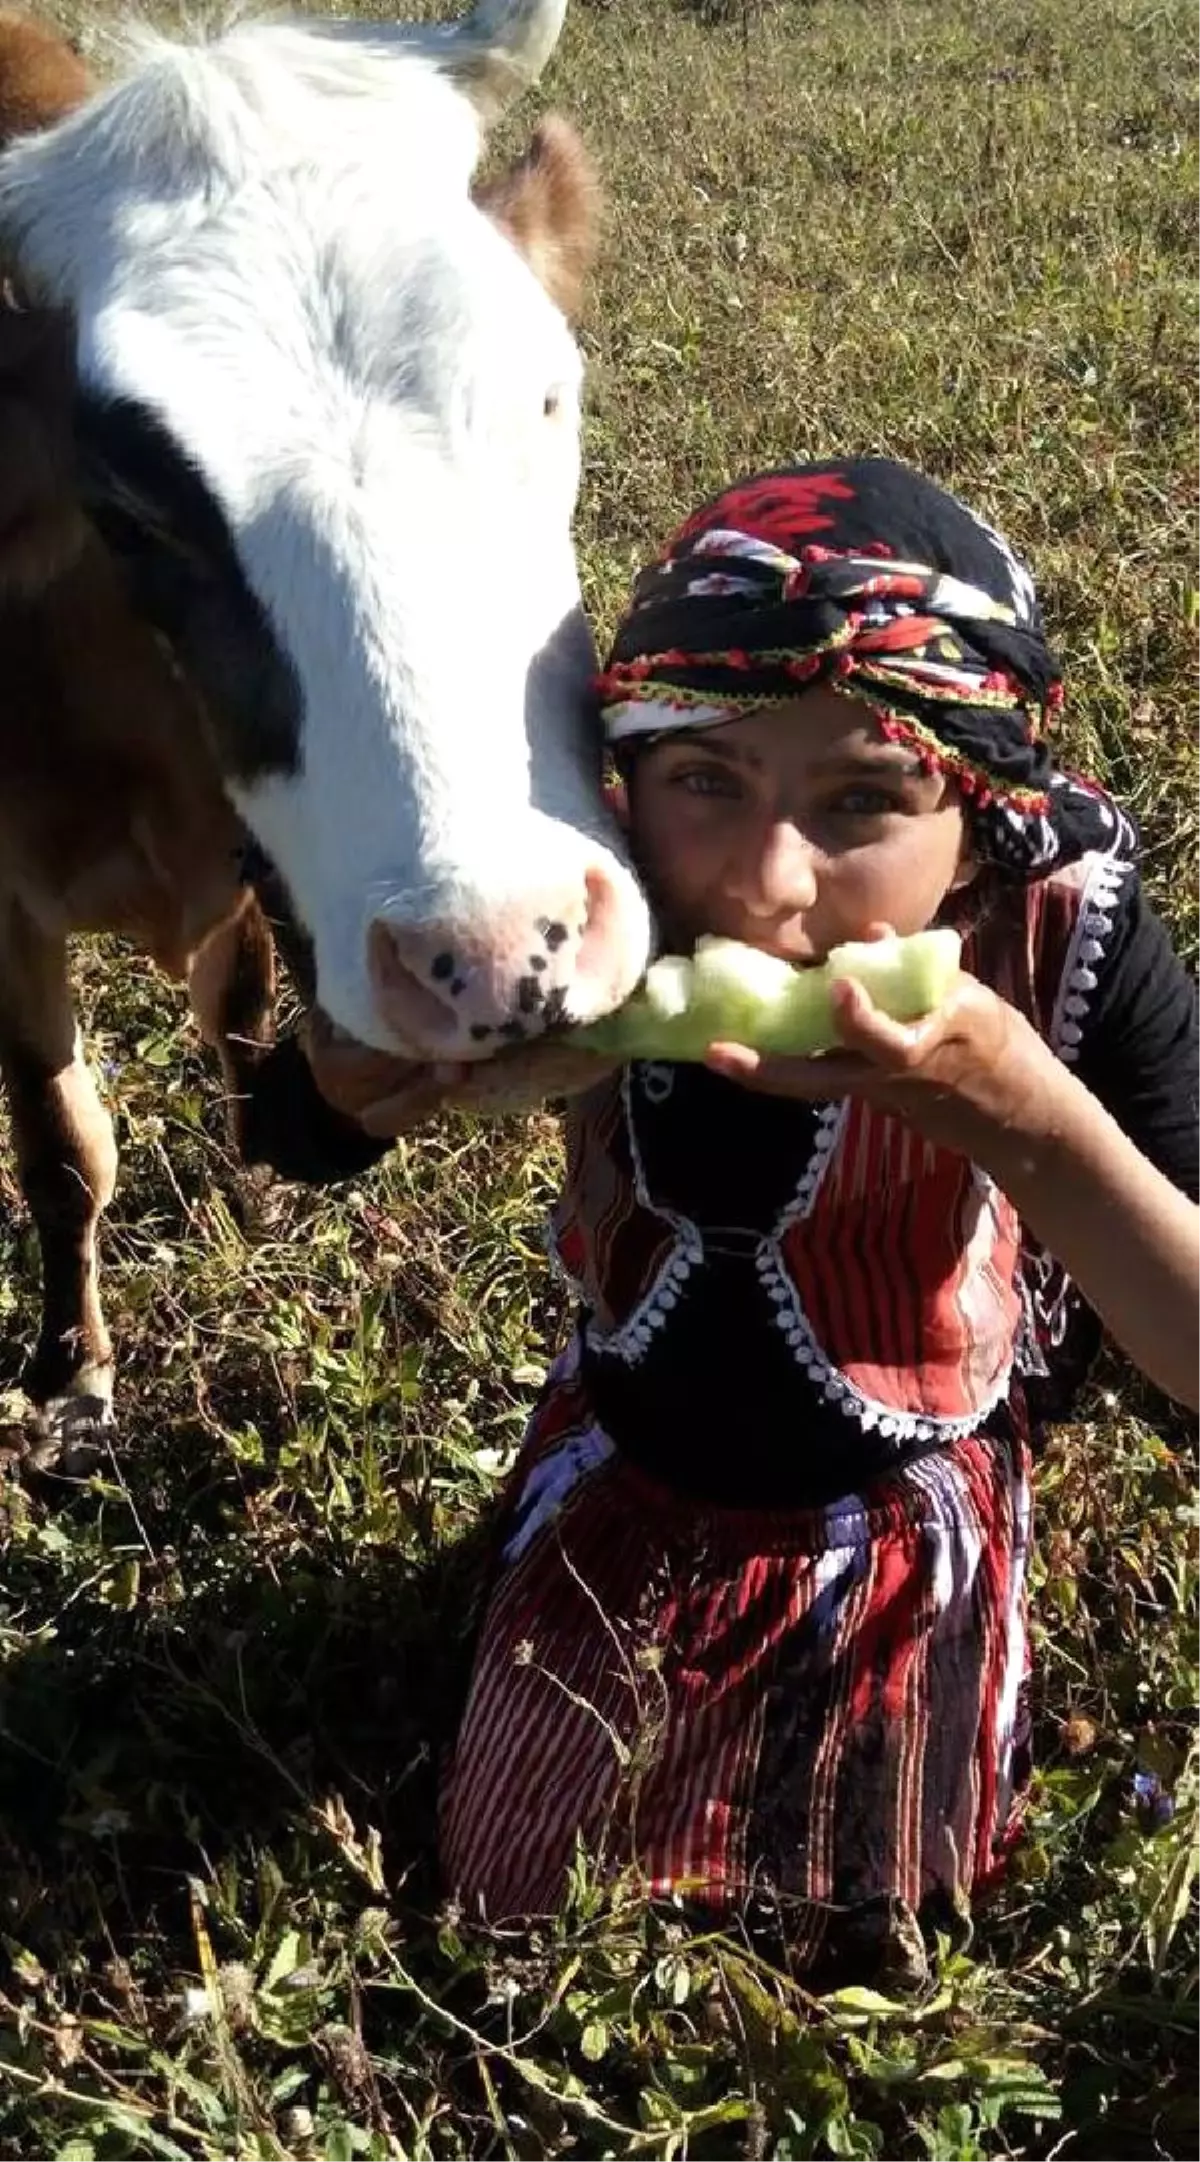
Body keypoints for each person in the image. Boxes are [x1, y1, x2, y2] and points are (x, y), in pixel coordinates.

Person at [310, 458, 1200, 1981]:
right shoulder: (594, 903)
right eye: (704, 780)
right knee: (515, 1907)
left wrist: (1028, 1120)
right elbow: (303, 1119)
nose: (769, 887)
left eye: (862, 799)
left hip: (893, 1493)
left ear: (978, 817)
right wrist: (354, 1065)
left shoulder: (1065, 934)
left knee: (870, 1919)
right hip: (633, 1471)